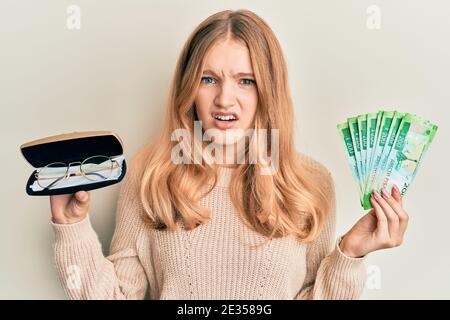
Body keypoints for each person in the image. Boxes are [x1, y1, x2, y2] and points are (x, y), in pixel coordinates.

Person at [49, 9, 408, 300]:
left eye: (245, 80)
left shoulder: (310, 184)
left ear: (268, 90)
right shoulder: (151, 176)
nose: (224, 99)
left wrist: (350, 254)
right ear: (188, 88)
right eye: (208, 79)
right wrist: (72, 227)